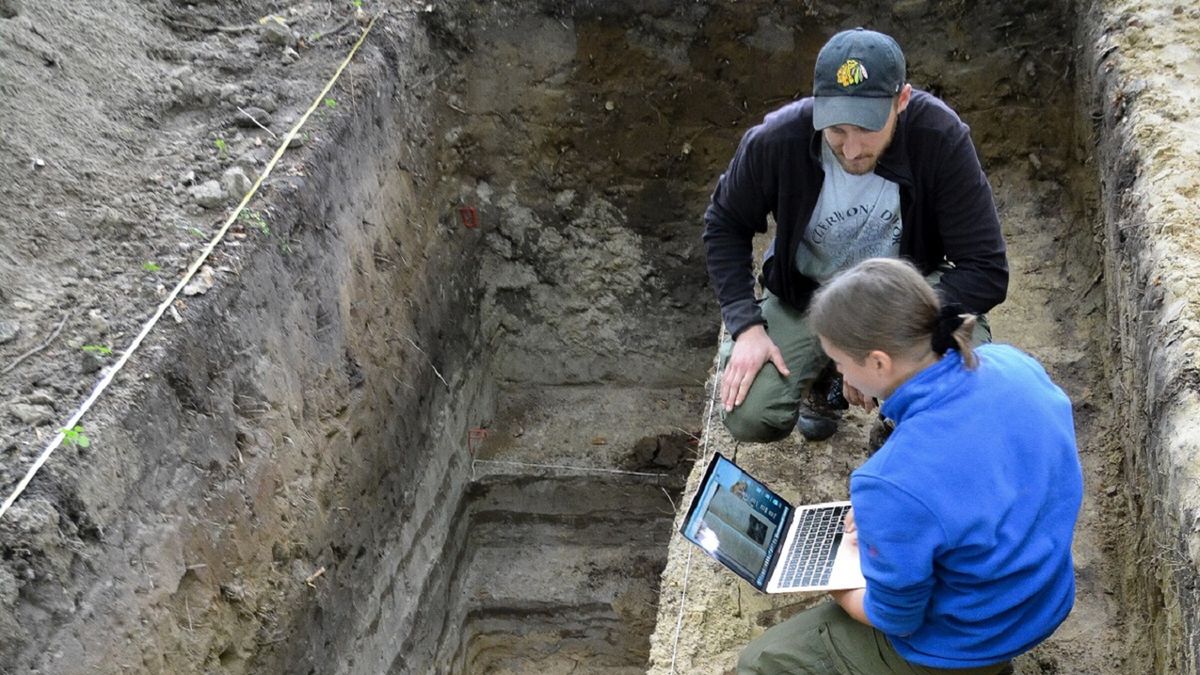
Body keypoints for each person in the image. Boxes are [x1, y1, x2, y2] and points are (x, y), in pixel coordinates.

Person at [737, 257, 1083, 674]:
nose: (839, 375)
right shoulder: (1014, 366)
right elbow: (985, 481)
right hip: (1042, 600)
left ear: (879, 362)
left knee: (761, 661)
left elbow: (895, 617)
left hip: (971, 640)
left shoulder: (889, 483)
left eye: (840, 364)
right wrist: (893, 526)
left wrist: (833, 580)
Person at [704, 27, 1008, 443]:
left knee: (962, 397)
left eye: (867, 129)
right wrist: (746, 326)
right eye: (837, 131)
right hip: (808, 295)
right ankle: (824, 374)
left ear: (901, 101)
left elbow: (986, 269)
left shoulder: (940, 138)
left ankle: (902, 414)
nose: (850, 150)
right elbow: (724, 222)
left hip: (906, 295)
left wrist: (878, 341)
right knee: (750, 414)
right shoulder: (776, 140)